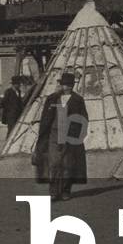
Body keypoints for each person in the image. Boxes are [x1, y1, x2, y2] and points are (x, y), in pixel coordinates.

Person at [32, 72, 89, 200]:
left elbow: (83, 118)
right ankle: (53, 191)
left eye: (68, 85)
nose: (65, 87)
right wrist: (43, 133)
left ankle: (65, 191)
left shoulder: (77, 100)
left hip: (70, 137)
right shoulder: (52, 99)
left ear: (71, 86)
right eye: (63, 84)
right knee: (54, 163)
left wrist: (76, 134)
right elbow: (45, 117)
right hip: (53, 134)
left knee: (67, 165)